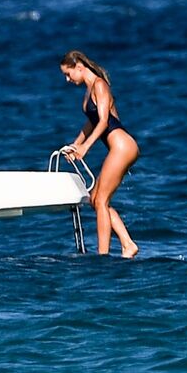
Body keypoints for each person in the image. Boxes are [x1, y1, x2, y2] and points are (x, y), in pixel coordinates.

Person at [60, 50, 139, 258]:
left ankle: (102, 256)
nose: (67, 79)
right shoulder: (89, 91)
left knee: (101, 200)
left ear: (79, 67)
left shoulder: (100, 85)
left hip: (123, 146)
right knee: (95, 199)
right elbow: (91, 122)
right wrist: (76, 144)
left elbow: (103, 121)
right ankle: (128, 244)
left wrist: (85, 148)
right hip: (118, 148)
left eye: (68, 74)